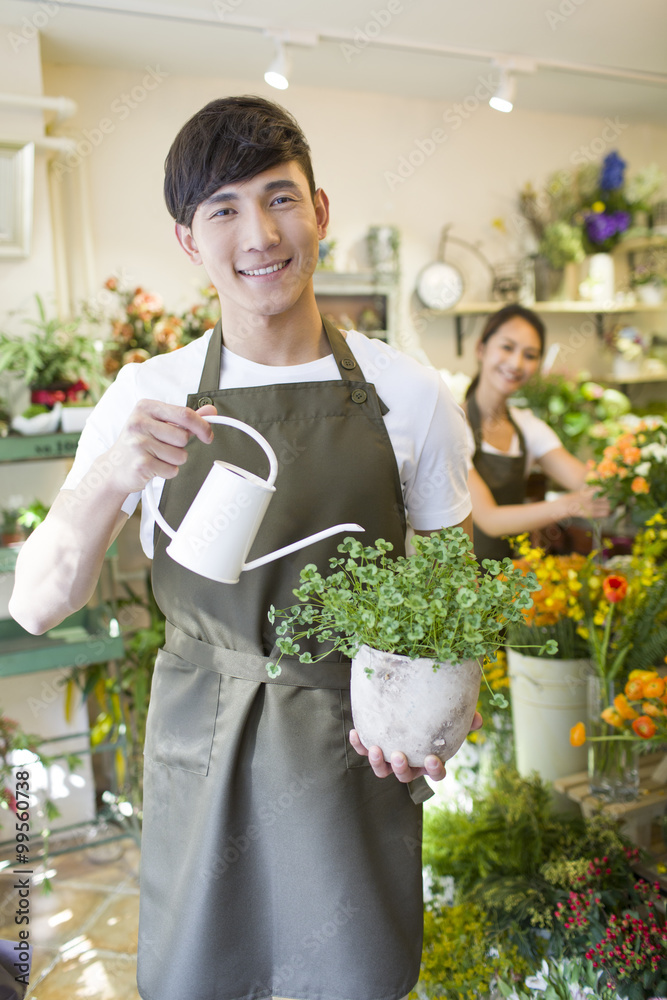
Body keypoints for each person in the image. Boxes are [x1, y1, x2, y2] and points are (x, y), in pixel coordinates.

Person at [9, 96, 477, 1000]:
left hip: (350, 749)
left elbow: (450, 599)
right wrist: (110, 475)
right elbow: (36, 603)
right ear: (188, 240)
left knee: (353, 977)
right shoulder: (150, 393)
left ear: (320, 210)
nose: (258, 232)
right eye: (222, 208)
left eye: (279, 198)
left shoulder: (407, 393)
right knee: (201, 978)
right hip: (204, 747)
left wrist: (436, 720)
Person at [464, 303, 610, 562]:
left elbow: (585, 481)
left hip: (506, 579)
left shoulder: (528, 427)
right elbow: (489, 519)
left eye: (530, 355)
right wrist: (571, 504)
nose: (516, 363)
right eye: (507, 347)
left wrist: (633, 470)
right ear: (481, 349)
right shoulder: (453, 425)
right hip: (455, 582)